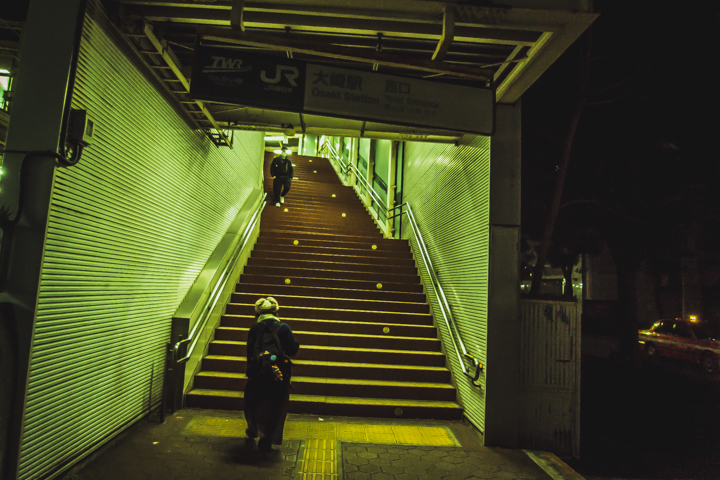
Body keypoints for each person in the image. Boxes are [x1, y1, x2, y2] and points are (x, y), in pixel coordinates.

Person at [244, 296, 299, 451]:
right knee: (277, 403)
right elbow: (292, 350)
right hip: (278, 374)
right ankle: (268, 436)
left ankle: (254, 427)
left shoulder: (255, 329)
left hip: (259, 373)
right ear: (276, 312)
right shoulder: (283, 328)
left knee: (255, 400)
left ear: (257, 314)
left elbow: (249, 352)